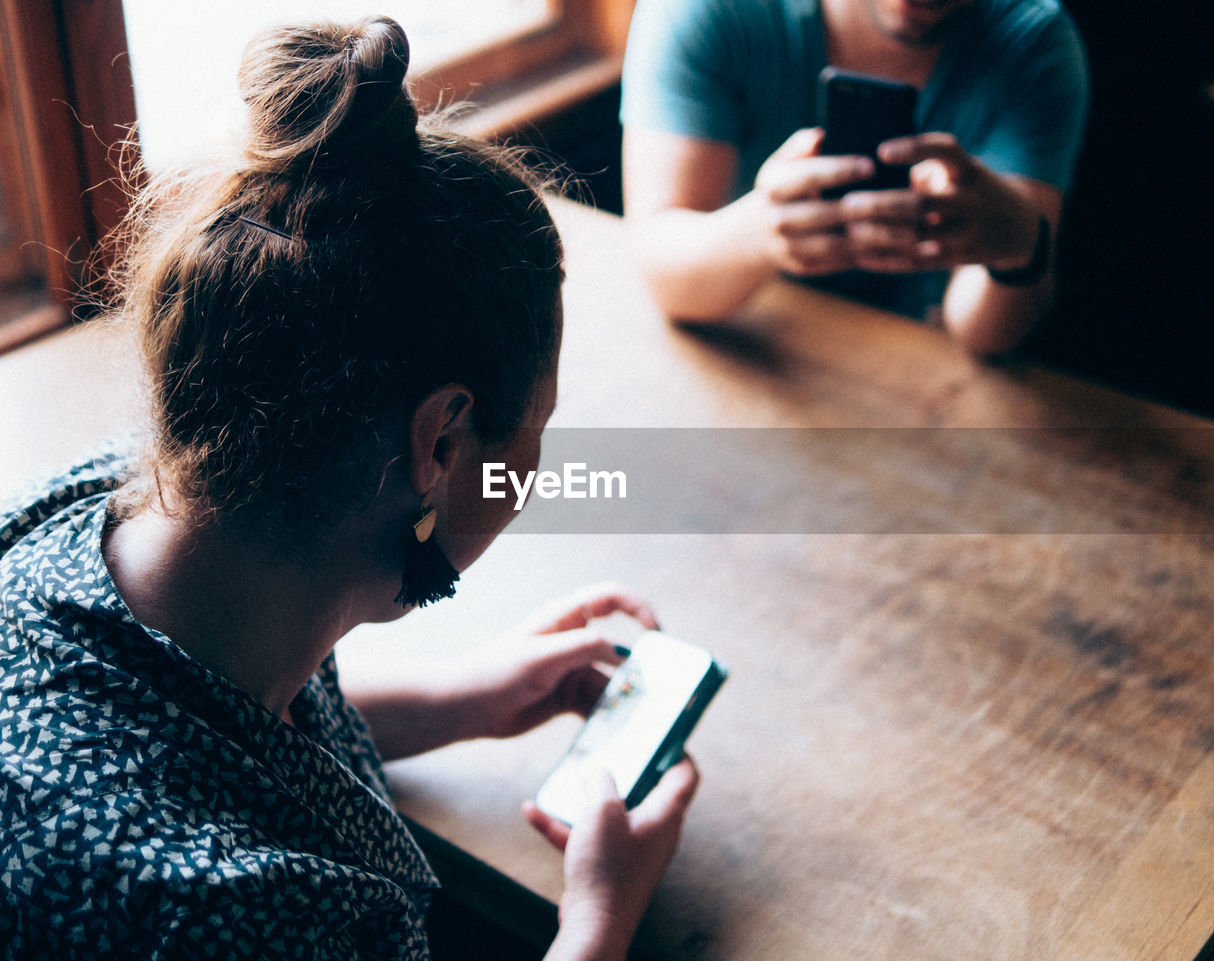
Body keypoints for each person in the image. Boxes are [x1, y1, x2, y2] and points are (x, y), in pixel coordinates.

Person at [0, 17, 697, 961]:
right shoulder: (261, 913)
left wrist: (462, 699)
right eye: (530, 432)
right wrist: (599, 919)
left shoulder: (121, 507)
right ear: (442, 442)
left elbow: (227, 736)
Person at [620, 0, 1090, 356]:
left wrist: (1020, 246)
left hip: (917, 372)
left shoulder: (1034, 42)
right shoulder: (707, 10)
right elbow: (665, 271)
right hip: (752, 343)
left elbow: (984, 337)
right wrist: (760, 233)